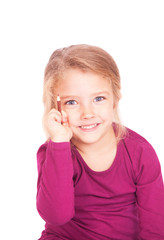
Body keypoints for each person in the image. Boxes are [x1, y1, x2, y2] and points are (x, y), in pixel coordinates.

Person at [36, 44, 164, 240]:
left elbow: (155, 225)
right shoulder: (53, 151)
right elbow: (56, 216)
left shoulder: (139, 152)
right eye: (72, 102)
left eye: (99, 98)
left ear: (115, 100)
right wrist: (60, 143)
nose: (87, 113)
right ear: (56, 106)